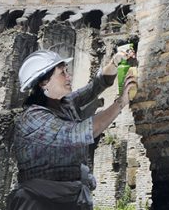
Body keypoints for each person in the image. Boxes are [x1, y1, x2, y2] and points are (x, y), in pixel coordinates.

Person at [8, 46, 137, 210]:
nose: (69, 76)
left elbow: (95, 86)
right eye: (62, 73)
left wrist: (115, 62)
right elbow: (81, 133)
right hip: (40, 201)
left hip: (71, 199)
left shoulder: (64, 103)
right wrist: (120, 102)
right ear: (43, 82)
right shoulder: (33, 119)